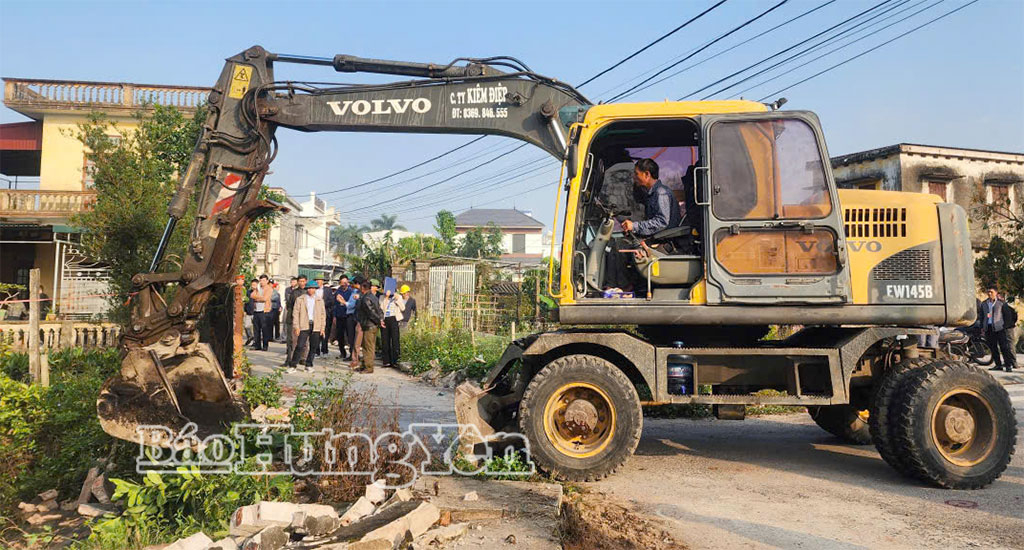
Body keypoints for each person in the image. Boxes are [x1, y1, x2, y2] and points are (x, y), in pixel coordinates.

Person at [605, 158, 681, 290]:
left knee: (620, 247)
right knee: (619, 243)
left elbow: (662, 222)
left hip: (663, 242)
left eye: (636, 174)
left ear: (647, 174)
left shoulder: (660, 193)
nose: (634, 177)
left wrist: (634, 226)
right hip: (656, 237)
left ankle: (623, 287)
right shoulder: (652, 194)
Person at [289, 280, 326, 372]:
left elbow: (323, 315)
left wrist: (322, 328)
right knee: (300, 346)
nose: (311, 290)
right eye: (309, 288)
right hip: (304, 325)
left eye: (313, 288)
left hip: (316, 325)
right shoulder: (300, 299)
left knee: (313, 346)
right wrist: (296, 326)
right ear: (306, 289)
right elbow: (295, 313)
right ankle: (293, 365)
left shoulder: (319, 300)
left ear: (316, 289)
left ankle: (309, 364)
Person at [980, 287, 1017, 372]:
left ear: (996, 293)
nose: (989, 293)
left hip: (999, 329)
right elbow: (982, 316)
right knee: (993, 348)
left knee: (1004, 348)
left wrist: (1005, 326)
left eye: (991, 292)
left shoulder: (1001, 303)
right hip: (988, 328)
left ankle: (1008, 365)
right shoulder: (984, 303)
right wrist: (982, 326)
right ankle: (998, 365)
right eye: (988, 292)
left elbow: (1007, 316)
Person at [355, 278, 384, 373]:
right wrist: (380, 319)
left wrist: (379, 321)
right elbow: (379, 310)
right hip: (370, 325)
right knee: (366, 346)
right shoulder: (373, 296)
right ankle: (364, 365)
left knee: (368, 347)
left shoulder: (366, 298)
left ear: (363, 288)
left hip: (369, 325)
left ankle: (369, 367)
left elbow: (371, 312)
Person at [380, 287, 405, 368]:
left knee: (395, 340)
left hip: (394, 318)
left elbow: (403, 308)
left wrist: (397, 299)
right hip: (385, 319)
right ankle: (386, 361)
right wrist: (386, 298)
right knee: (385, 340)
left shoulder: (398, 296)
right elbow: (382, 308)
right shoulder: (382, 297)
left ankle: (396, 360)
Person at [333, 275, 354, 358]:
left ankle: (352, 353)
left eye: (345, 282)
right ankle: (342, 352)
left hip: (348, 316)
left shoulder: (351, 291)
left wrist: (343, 301)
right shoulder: (338, 291)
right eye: (342, 283)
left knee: (350, 335)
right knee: (340, 335)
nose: (344, 284)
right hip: (339, 315)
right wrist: (334, 316)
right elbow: (335, 304)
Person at [250, 274, 272, 351]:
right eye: (261, 280)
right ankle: (257, 345)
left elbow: (265, 298)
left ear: (267, 281)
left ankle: (265, 345)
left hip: (264, 310)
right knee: (256, 329)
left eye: (263, 280)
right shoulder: (257, 288)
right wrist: (259, 297)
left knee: (264, 329)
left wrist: (257, 298)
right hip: (256, 310)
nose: (262, 282)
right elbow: (252, 295)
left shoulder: (269, 289)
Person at [315, 277, 334, 356]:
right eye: (317, 281)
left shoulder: (327, 290)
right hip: (315, 314)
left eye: (319, 281)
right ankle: (316, 351)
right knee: (316, 332)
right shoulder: (313, 290)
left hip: (325, 313)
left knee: (325, 332)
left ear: (322, 281)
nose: (318, 283)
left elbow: (331, 301)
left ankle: (324, 350)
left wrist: (322, 304)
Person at [283, 277, 300, 365]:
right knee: (290, 340)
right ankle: (289, 359)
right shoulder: (291, 292)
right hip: (291, 317)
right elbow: (289, 304)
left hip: (301, 320)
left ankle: (300, 359)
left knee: (300, 341)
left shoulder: (305, 293)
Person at [346, 279, 362, 366]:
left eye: (352, 284)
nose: (351, 285)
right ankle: (354, 358)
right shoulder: (354, 292)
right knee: (352, 339)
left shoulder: (359, 294)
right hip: (355, 317)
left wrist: (343, 302)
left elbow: (352, 305)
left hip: (358, 319)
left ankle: (356, 360)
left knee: (356, 341)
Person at [244, 279, 258, 346]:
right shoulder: (248, 292)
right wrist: (244, 310)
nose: (253, 286)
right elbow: (246, 302)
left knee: (255, 327)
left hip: (256, 312)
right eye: (252, 285)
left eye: (254, 285)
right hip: (248, 312)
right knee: (246, 326)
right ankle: (250, 337)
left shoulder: (259, 292)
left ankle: (255, 341)